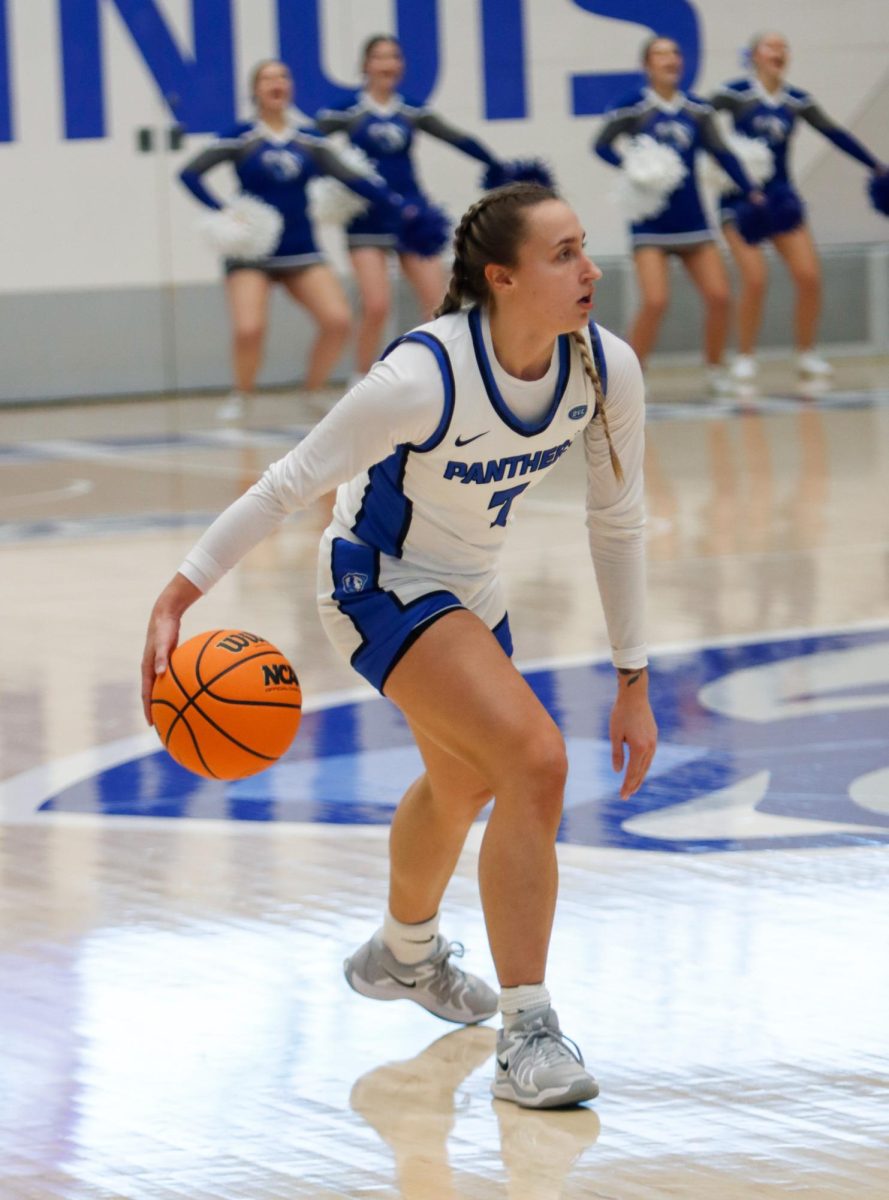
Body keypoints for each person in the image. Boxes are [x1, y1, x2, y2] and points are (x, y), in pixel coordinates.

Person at [141, 183, 658, 1110]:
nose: (589, 270)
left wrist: (633, 677)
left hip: (471, 587)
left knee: (466, 783)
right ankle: (526, 1033)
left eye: (585, 248)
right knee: (534, 761)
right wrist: (178, 594)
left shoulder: (604, 369)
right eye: (562, 255)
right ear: (501, 278)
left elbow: (617, 525)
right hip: (376, 581)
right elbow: (289, 480)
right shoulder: (421, 376)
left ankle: (403, 954)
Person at [179, 60, 406, 419]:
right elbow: (189, 173)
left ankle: (312, 390)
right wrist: (224, 211)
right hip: (252, 250)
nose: (277, 82)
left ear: (290, 89)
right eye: (267, 77)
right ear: (255, 90)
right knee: (249, 328)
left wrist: (397, 204)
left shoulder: (309, 141)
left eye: (283, 76)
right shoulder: (241, 136)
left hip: (300, 247)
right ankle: (242, 394)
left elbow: (352, 178)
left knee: (338, 321)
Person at [314, 34, 505, 378]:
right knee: (376, 305)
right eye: (380, 57)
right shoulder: (346, 112)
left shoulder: (411, 111)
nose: (388, 64)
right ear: (365, 66)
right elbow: (308, 144)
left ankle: (440, 377)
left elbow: (456, 137)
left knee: (438, 301)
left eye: (394, 57)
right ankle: (363, 381)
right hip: (366, 217)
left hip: (411, 216)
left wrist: (494, 163)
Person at [711, 31, 888, 384]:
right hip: (741, 200)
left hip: (780, 198)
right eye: (770, 46)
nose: (778, 52)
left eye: (783, 47)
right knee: (755, 278)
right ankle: (744, 357)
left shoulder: (796, 100)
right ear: (754, 55)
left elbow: (834, 133)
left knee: (809, 276)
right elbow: (700, 120)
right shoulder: (735, 95)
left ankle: (807, 353)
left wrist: (874, 165)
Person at [594, 36, 762, 393]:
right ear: (647, 65)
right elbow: (601, 145)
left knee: (719, 296)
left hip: (693, 221)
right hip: (651, 221)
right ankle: (629, 378)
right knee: (655, 301)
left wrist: (750, 189)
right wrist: (632, 165)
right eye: (661, 54)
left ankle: (715, 371)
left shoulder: (698, 110)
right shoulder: (633, 107)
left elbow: (722, 153)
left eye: (675, 53)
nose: (670, 59)